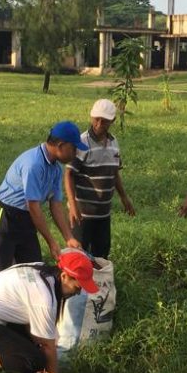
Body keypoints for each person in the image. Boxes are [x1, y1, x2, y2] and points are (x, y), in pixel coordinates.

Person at [0, 121, 84, 278]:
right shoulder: (34, 164)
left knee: (34, 272)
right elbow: (34, 207)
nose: (76, 153)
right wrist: (51, 241)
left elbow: (56, 205)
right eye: (74, 149)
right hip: (6, 217)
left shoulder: (56, 169)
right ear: (60, 145)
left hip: (28, 220)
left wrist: (68, 237)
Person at [64, 99, 136, 259]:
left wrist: (124, 197)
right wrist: (73, 205)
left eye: (104, 121)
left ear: (113, 121)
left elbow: (114, 172)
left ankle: (96, 283)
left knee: (101, 254)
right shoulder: (82, 142)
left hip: (103, 214)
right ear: (91, 117)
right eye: (96, 119)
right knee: (78, 255)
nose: (99, 124)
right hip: (82, 214)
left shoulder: (113, 142)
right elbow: (68, 174)